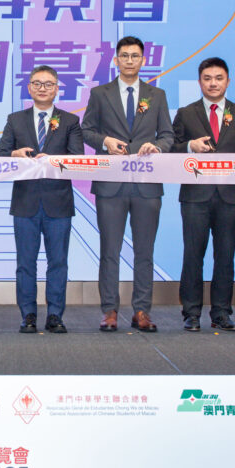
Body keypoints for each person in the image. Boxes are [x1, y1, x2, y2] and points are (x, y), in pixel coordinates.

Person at [81, 36, 173, 332]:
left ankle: (142, 311)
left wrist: (157, 147)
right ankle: (109, 310)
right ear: (116, 60)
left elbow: (168, 135)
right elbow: (86, 130)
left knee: (145, 251)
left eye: (135, 56)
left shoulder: (157, 95)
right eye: (124, 55)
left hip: (147, 183)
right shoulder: (100, 94)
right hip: (111, 184)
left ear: (143, 60)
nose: (129, 60)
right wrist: (104, 141)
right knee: (110, 250)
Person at [171, 57, 235, 332]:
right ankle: (191, 313)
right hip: (195, 196)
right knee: (193, 255)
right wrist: (190, 146)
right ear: (199, 82)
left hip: (229, 196)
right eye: (207, 78)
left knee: (225, 255)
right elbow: (170, 149)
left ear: (228, 81)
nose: (213, 83)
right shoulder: (186, 113)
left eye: (218, 78)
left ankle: (221, 312)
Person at [0, 65, 84, 333]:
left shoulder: (70, 121)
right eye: (37, 83)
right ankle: (28, 315)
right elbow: (0, 156)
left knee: (58, 262)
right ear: (29, 88)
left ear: (57, 89)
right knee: (25, 263)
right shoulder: (15, 119)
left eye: (48, 84)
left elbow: (77, 159)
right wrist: (14, 154)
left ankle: (55, 314)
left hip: (59, 202)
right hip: (25, 202)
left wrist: (54, 160)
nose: (42, 88)